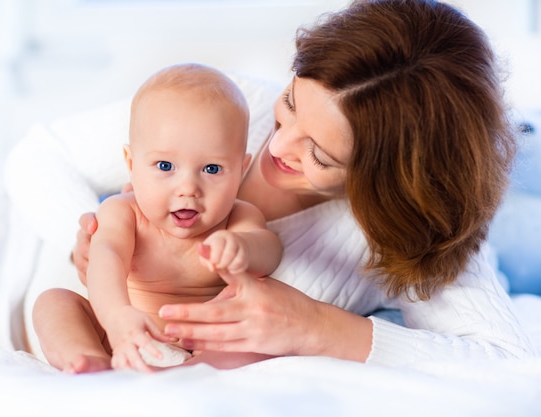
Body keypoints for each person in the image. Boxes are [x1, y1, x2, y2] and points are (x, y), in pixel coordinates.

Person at [67, 0, 536, 367]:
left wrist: (319, 326)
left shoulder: (409, 238)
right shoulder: (220, 105)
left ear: (381, 183)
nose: (276, 146)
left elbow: (508, 363)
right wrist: (89, 240)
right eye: (290, 102)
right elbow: (41, 155)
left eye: (319, 154)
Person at [31, 63, 283, 373]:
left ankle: (195, 372)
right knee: (54, 303)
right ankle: (87, 359)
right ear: (131, 164)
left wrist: (242, 247)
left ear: (241, 170)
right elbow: (106, 256)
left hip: (200, 344)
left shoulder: (239, 218)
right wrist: (116, 317)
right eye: (165, 166)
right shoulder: (123, 212)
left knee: (255, 344)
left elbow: (269, 251)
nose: (188, 188)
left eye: (212, 169)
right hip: (119, 334)